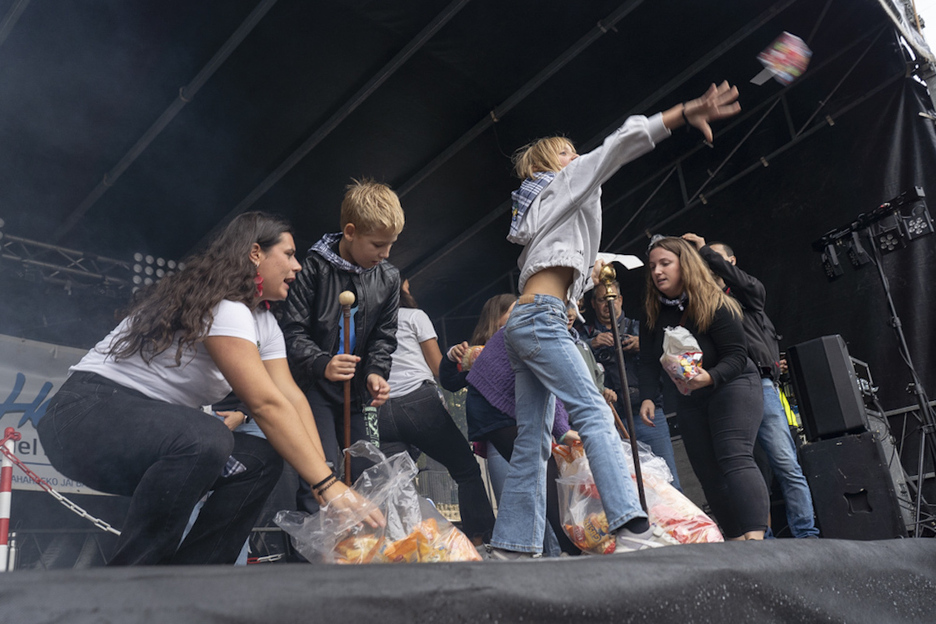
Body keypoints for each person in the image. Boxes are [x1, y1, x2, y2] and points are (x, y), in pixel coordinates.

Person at [36, 212, 382, 566]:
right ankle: (133, 577)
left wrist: (327, 479)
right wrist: (326, 485)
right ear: (255, 254)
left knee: (259, 460)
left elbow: (289, 398)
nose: (297, 266)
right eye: (289, 254)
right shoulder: (224, 309)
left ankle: (195, 579)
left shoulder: (263, 323)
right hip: (83, 418)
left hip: (152, 439)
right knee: (207, 437)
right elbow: (264, 405)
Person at [493, 82, 742, 558]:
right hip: (540, 320)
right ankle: (630, 523)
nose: (578, 155)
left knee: (532, 441)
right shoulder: (566, 182)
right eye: (568, 152)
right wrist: (686, 111)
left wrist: (575, 294)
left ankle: (511, 546)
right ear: (552, 164)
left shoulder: (545, 208)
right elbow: (618, 145)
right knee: (592, 412)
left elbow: (553, 269)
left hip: (525, 321)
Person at [278, 179, 404, 514]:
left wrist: (376, 372)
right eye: (378, 244)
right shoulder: (314, 267)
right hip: (315, 389)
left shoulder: (389, 277)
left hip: (359, 395)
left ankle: (364, 555)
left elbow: (384, 335)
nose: (386, 253)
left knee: (368, 472)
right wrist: (323, 363)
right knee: (319, 472)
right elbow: (292, 332)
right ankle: (316, 559)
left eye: (391, 244)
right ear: (350, 232)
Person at [682, 233, 819, 538]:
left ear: (729, 263)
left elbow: (744, 284)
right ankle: (762, 538)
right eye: (703, 259)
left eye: (713, 258)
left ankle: (807, 535)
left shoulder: (746, 295)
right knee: (747, 467)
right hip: (728, 393)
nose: (707, 262)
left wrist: (704, 249)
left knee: (785, 463)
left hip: (761, 385)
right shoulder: (704, 304)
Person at [638, 236, 768, 540]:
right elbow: (646, 360)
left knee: (733, 456)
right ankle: (735, 540)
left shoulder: (713, 300)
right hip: (691, 397)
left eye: (665, 263)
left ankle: (757, 540)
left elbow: (737, 355)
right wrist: (646, 396)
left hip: (733, 384)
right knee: (707, 473)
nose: (657, 271)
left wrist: (708, 378)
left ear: (685, 265)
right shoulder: (652, 312)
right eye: (653, 266)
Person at [377, 280, 496, 544]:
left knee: (397, 484)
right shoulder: (414, 317)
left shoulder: (369, 321)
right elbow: (437, 367)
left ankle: (401, 543)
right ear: (400, 291)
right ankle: (480, 537)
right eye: (407, 287)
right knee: (465, 469)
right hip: (418, 402)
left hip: (380, 408)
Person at [580, 280, 682, 491]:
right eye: (602, 300)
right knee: (628, 487)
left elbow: (672, 356)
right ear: (593, 304)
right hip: (611, 420)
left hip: (647, 412)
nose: (609, 304)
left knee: (669, 482)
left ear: (621, 300)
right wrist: (593, 344)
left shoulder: (639, 327)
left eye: (613, 298)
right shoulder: (585, 336)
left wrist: (642, 345)